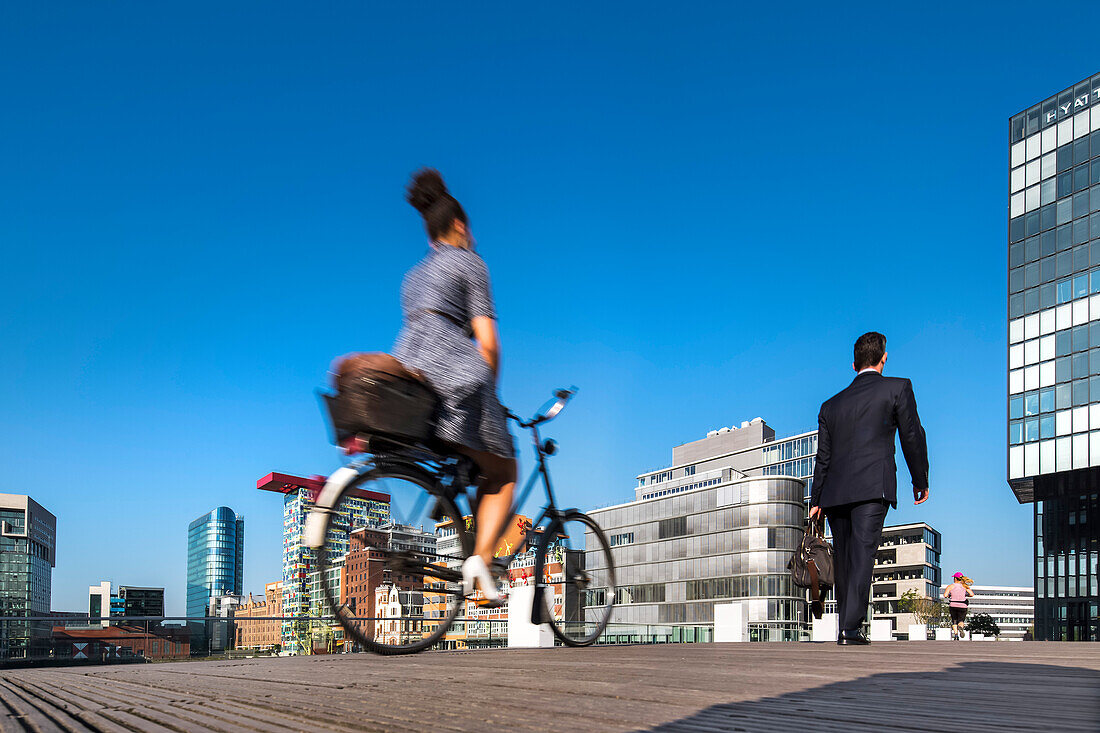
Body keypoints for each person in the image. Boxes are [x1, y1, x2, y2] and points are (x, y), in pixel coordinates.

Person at [392, 169, 517, 605]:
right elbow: (488, 343)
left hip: (412, 380)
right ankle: (481, 563)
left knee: (471, 460)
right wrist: (492, 399)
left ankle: (471, 554)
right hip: (457, 377)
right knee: (504, 470)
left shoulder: (413, 277)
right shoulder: (470, 263)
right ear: (460, 226)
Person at [808, 332, 929, 645]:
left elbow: (823, 457)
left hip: (834, 493)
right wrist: (920, 479)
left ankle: (846, 628)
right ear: (883, 357)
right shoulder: (897, 388)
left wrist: (816, 499)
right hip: (873, 487)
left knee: (847, 557)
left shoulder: (830, 406)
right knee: (862, 555)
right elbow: (912, 436)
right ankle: (850, 629)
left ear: (853, 364)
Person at [943, 572, 974, 640]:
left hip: (953, 605)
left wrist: (949, 595)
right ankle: (961, 627)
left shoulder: (951, 586)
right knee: (961, 621)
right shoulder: (964, 586)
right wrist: (965, 595)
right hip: (963, 605)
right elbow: (972, 594)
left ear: (955, 578)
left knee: (954, 621)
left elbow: (945, 595)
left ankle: (956, 635)